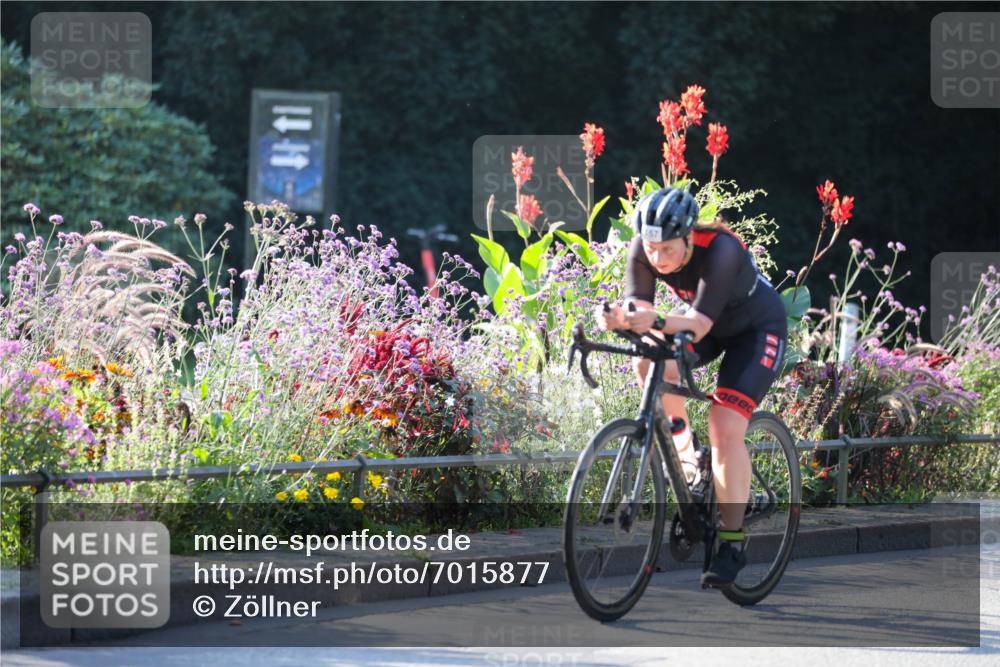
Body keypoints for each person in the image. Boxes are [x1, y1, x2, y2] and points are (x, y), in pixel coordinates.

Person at [595, 186, 787, 587]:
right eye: (652, 249)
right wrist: (617, 318)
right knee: (648, 361)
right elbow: (640, 309)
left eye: (668, 249)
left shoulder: (721, 249)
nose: (658, 259)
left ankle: (731, 543)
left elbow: (698, 324)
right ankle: (687, 461)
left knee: (724, 424)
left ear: (688, 237)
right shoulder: (644, 247)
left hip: (755, 330)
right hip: (707, 325)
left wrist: (652, 321)